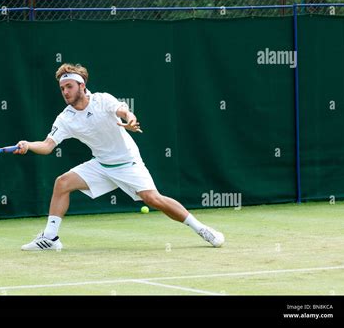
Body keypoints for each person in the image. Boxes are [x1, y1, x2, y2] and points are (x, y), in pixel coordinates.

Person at [15, 63, 224, 251]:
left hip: (127, 162)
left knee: (153, 199)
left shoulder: (102, 100)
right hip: (101, 165)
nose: (65, 92)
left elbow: (123, 110)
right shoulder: (65, 118)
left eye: (69, 86)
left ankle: (202, 229)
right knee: (62, 183)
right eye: (62, 88)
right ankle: (51, 238)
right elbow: (47, 146)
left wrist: (131, 120)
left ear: (82, 85)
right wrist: (28, 145)